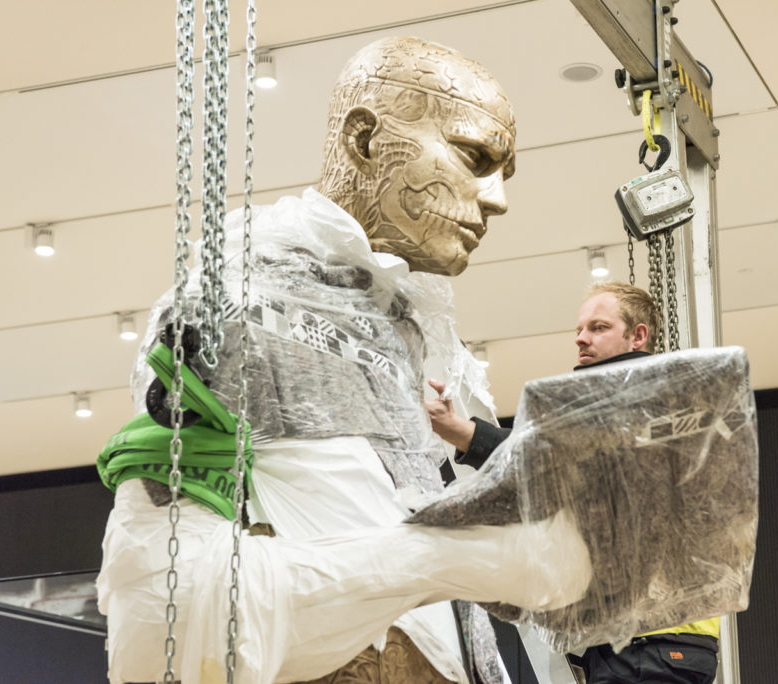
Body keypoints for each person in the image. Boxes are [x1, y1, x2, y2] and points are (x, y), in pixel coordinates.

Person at [97, 36, 519, 684]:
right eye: (473, 156)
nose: (496, 199)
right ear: (365, 141)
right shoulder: (235, 306)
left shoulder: (402, 331)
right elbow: (159, 589)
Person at [426, 282, 721, 684]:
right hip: (637, 644)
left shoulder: (650, 405)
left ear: (638, 335)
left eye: (598, 327)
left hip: (649, 644)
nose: (581, 338)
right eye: (580, 330)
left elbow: (553, 463)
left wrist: (463, 432)